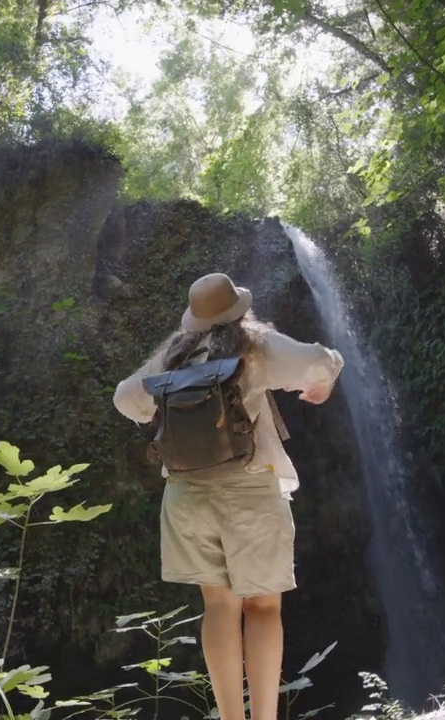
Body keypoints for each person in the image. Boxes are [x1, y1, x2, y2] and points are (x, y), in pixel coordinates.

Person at [112, 272, 344, 720]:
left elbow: (126, 397)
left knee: (218, 606)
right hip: (249, 492)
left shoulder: (174, 354)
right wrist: (322, 381)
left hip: (186, 495)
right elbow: (318, 361)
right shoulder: (255, 344)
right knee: (262, 606)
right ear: (238, 308)